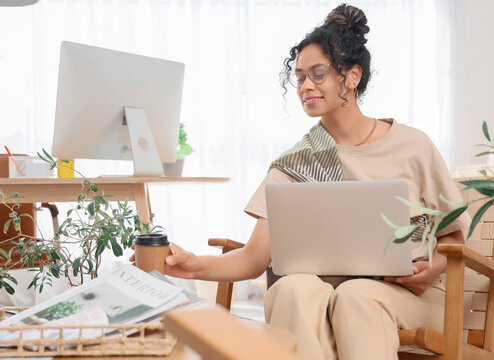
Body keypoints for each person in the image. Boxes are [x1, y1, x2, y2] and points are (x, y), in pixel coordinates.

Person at [133, 4, 470, 360]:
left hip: (409, 296)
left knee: (357, 297)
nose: (305, 86)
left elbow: (454, 234)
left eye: (318, 74)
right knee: (291, 288)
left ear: (352, 77)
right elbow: (253, 258)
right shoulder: (298, 162)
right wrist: (192, 264)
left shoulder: (412, 145)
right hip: (328, 294)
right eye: (299, 77)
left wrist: (428, 269)